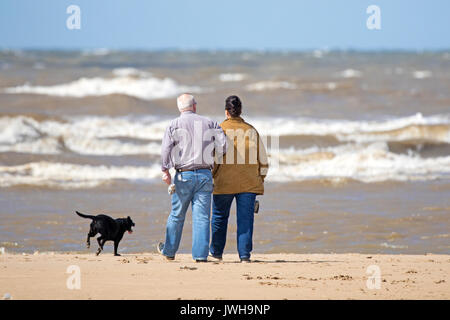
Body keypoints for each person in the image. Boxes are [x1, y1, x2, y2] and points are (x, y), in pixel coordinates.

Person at [157, 94, 227, 262]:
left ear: (180, 108)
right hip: (204, 174)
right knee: (202, 217)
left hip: (183, 175)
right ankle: (200, 256)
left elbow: (166, 150)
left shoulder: (173, 125)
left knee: (177, 214)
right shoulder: (210, 122)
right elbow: (223, 147)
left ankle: (169, 251)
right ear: (194, 106)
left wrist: (165, 170)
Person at [210, 95, 268, 263]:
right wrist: (260, 178)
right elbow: (263, 160)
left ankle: (216, 253)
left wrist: (213, 176)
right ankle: (244, 256)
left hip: (223, 182)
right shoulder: (251, 130)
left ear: (226, 112)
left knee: (219, 218)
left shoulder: (219, 129)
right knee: (245, 220)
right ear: (240, 111)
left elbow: (213, 159)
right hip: (249, 183)